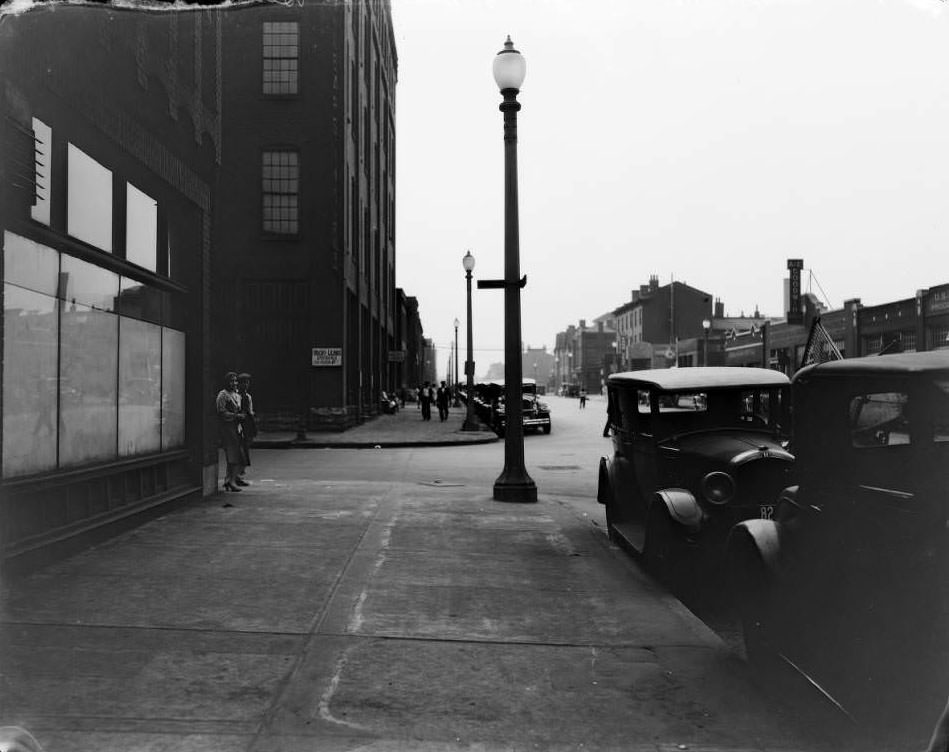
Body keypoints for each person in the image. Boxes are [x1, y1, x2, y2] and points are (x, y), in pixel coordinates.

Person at [216, 371, 246, 492]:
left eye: (235, 381)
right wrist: (236, 416)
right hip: (227, 428)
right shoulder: (223, 395)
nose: (234, 383)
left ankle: (230, 479)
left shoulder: (236, 395)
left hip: (236, 427)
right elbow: (221, 412)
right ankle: (230, 480)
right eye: (231, 381)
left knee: (238, 454)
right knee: (232, 454)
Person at [236, 372, 256, 486]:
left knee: (245, 450)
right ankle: (236, 475)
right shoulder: (236, 396)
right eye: (243, 383)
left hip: (247, 424)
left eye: (247, 383)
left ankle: (239, 474)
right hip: (239, 424)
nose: (245, 385)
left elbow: (251, 411)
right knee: (240, 452)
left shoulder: (248, 397)